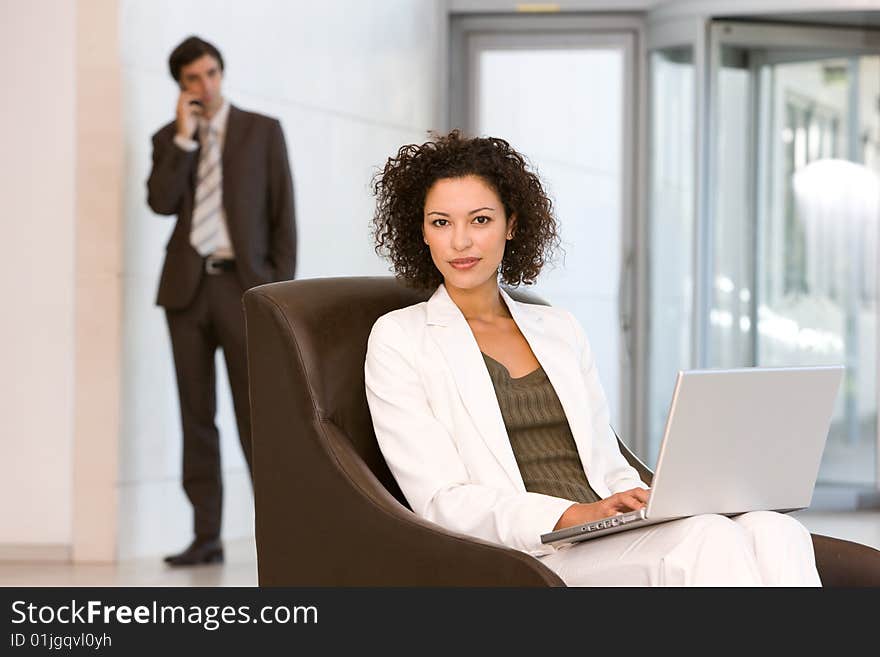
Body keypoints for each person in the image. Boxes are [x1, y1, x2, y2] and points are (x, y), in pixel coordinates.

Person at [364, 130, 820, 586]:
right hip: (537, 551)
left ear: (512, 224)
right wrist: (573, 514)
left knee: (774, 529)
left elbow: (606, 460)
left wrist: (637, 501)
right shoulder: (400, 339)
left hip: (608, 530)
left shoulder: (558, 328)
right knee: (708, 539)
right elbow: (442, 499)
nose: (460, 241)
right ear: (421, 231)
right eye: (441, 222)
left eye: (480, 220)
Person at [146, 36, 297, 566]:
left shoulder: (262, 132)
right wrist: (185, 142)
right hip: (186, 292)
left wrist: (276, 294)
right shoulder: (169, 138)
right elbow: (161, 202)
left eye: (210, 73)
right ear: (181, 86)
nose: (204, 85)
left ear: (221, 73)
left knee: (256, 415)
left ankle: (280, 533)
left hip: (244, 290)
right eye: (193, 79)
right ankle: (205, 537)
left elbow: (284, 220)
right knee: (196, 416)